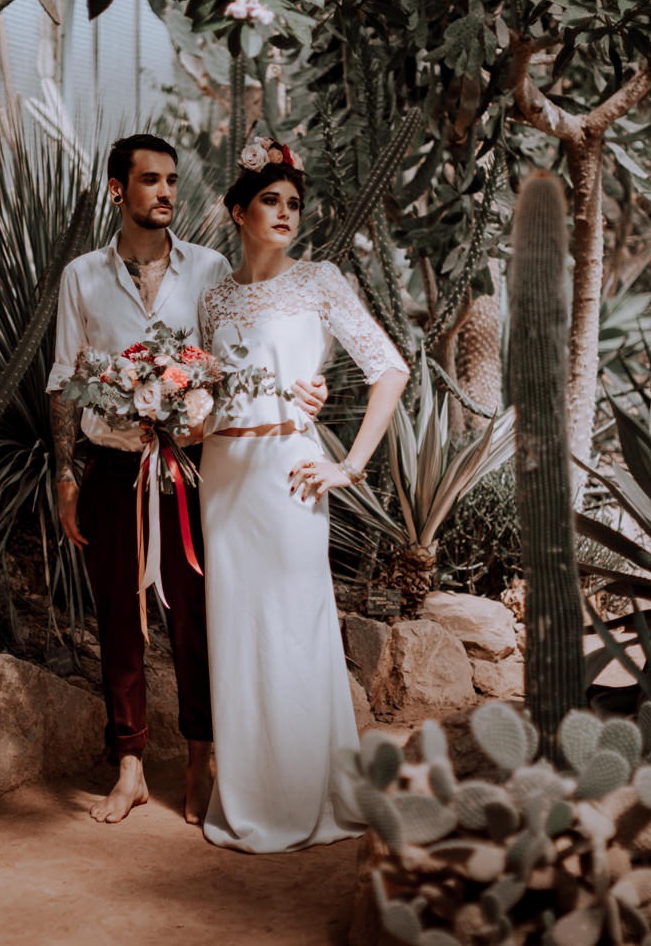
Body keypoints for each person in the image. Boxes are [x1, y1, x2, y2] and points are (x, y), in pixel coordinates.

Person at [47, 134, 328, 825]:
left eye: (172, 180)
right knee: (118, 620)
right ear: (119, 190)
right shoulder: (81, 277)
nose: (166, 191)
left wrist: (303, 389)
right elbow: (62, 379)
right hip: (111, 468)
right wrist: (64, 473)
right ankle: (132, 767)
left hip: (192, 474)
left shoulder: (208, 271)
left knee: (198, 621)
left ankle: (203, 761)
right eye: (150, 180)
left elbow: (248, 347)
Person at [198, 137, 409, 853]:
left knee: (294, 628)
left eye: (293, 202)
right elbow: (206, 393)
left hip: (290, 470)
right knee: (238, 631)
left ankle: (308, 798)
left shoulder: (319, 280)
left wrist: (348, 465)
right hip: (223, 475)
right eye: (270, 200)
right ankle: (250, 797)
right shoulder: (215, 297)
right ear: (237, 212)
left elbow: (390, 369)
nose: (285, 212)